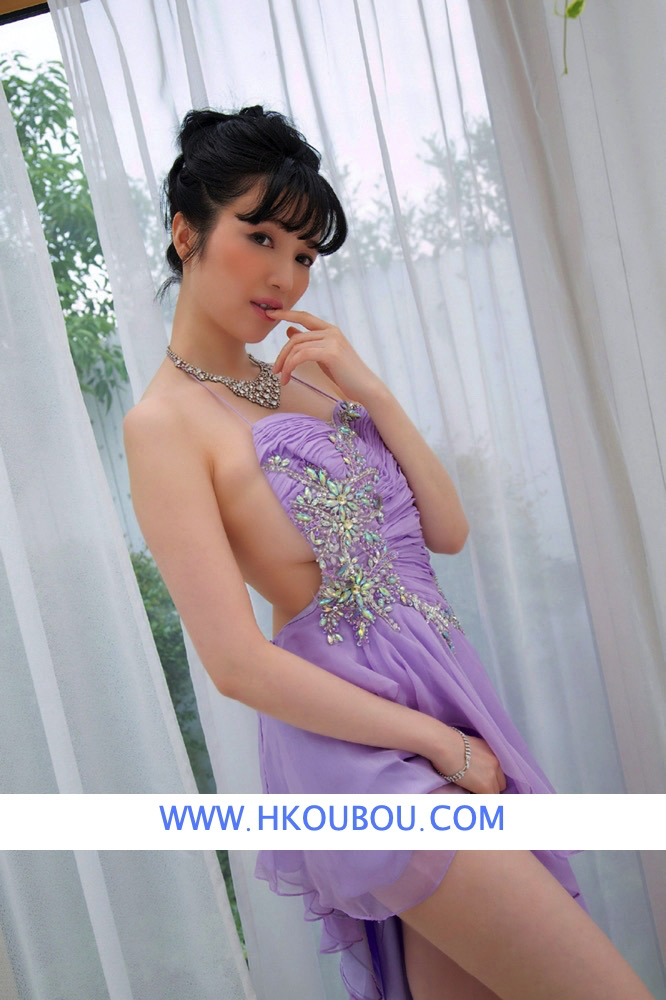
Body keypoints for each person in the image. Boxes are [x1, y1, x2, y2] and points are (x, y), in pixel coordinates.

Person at [123, 107, 655, 1000]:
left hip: (444, 702)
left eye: (304, 253)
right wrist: (438, 746)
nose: (285, 275)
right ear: (187, 235)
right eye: (261, 237)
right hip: (362, 754)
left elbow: (444, 531)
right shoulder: (163, 426)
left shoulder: (301, 378)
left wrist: (369, 388)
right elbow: (235, 664)